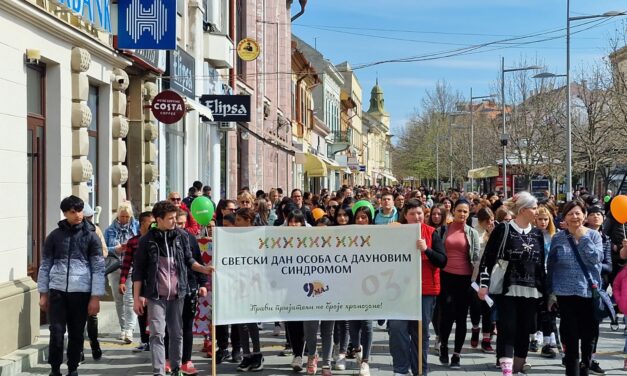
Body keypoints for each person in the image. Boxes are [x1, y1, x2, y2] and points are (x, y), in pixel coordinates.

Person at [132, 200, 213, 376]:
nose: (174, 222)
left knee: (177, 333)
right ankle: (158, 371)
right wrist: (137, 297)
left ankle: (176, 368)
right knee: (157, 334)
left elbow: (190, 261)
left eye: (175, 218)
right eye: (170, 218)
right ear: (158, 219)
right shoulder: (147, 240)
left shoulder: (182, 236)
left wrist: (204, 270)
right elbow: (138, 271)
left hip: (178, 295)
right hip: (156, 296)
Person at [478, 192, 545, 376]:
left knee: (525, 329)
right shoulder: (504, 229)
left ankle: (518, 367)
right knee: (508, 327)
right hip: (508, 286)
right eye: (533, 207)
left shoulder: (538, 233)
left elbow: (541, 264)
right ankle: (506, 370)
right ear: (523, 210)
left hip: (532, 288)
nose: (537, 210)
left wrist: (546, 292)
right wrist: (483, 284)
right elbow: (488, 259)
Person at [37, 195, 105, 376]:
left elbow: (98, 269)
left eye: (80, 211)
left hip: (81, 293)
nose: (78, 215)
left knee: (76, 333)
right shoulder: (54, 236)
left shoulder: (91, 237)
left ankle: (73, 368)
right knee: (56, 331)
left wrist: (95, 297)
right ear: (65, 213)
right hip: (57, 291)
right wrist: (43, 293)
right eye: (73, 212)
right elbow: (45, 266)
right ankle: (54, 368)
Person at [389, 199, 446, 376]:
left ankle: (420, 370)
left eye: (420, 213)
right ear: (405, 215)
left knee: (420, 333)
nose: (416, 217)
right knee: (397, 329)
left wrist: (427, 250)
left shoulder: (431, 233)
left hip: (425, 292)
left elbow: (442, 261)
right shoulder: (395, 232)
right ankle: (400, 369)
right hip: (399, 291)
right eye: (412, 213)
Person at [546, 200, 604, 376]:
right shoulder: (558, 238)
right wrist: (550, 294)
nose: (574, 217)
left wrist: (582, 237)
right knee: (570, 338)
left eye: (578, 213)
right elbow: (552, 266)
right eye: (570, 213)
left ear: (584, 215)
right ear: (564, 217)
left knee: (588, 338)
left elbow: (596, 259)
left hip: (588, 293)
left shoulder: (593, 236)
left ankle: (586, 367)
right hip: (565, 294)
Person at [438, 199, 480, 369]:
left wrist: (474, 282)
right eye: (459, 211)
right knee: (446, 316)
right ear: (453, 211)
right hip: (446, 277)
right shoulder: (443, 230)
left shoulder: (472, 233)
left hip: (465, 280)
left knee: (462, 318)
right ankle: (443, 346)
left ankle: (457, 354)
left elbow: (476, 258)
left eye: (465, 211)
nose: (462, 214)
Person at [233, 208, 265, 372]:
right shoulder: (233, 238)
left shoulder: (258, 237)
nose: (235, 223)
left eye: (239, 220)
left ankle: (257, 355)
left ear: (248, 220)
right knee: (240, 322)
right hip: (238, 282)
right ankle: (246, 356)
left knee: (251, 322)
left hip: (253, 283)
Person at [119, 211, 154, 353]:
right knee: (141, 311)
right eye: (150, 222)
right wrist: (122, 281)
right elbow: (126, 263)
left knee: (156, 312)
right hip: (139, 281)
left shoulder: (156, 240)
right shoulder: (133, 241)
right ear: (142, 223)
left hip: (156, 281)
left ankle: (156, 340)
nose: (153, 225)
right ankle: (145, 341)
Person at [104, 202, 139, 343]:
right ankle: (123, 328)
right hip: (115, 267)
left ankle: (130, 329)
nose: (124, 219)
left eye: (127, 216)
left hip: (132, 266)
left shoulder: (136, 226)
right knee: (118, 300)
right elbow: (104, 249)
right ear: (117, 216)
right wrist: (116, 249)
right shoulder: (110, 230)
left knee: (129, 299)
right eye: (122, 216)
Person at [349, 202, 376, 376]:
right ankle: (357, 348)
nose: (360, 220)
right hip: (350, 285)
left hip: (370, 286)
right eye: (358, 217)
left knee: (367, 324)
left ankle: (365, 360)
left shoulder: (377, 235)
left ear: (370, 219)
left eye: (364, 217)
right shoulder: (346, 234)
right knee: (352, 323)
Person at [585, 205, 612, 375]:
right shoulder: (578, 234)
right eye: (592, 214)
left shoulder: (606, 239)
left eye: (599, 214)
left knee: (593, 325)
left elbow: (608, 266)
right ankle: (570, 354)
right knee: (573, 325)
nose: (596, 217)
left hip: (597, 287)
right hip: (576, 285)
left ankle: (590, 359)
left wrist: (594, 264)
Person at [82, 202, 107, 361]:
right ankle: (78, 350)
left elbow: (104, 251)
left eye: (90, 217)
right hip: (74, 281)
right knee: (76, 317)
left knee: (91, 315)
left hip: (91, 279)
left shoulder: (95, 230)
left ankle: (94, 343)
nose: (89, 220)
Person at [470, 207, 495, 353]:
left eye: (492, 220)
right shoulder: (474, 231)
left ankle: (486, 338)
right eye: (487, 221)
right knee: (475, 306)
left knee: (488, 307)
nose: (490, 223)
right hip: (475, 274)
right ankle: (474, 328)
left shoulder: (492, 232)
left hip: (490, 273)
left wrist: (492, 235)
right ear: (480, 221)